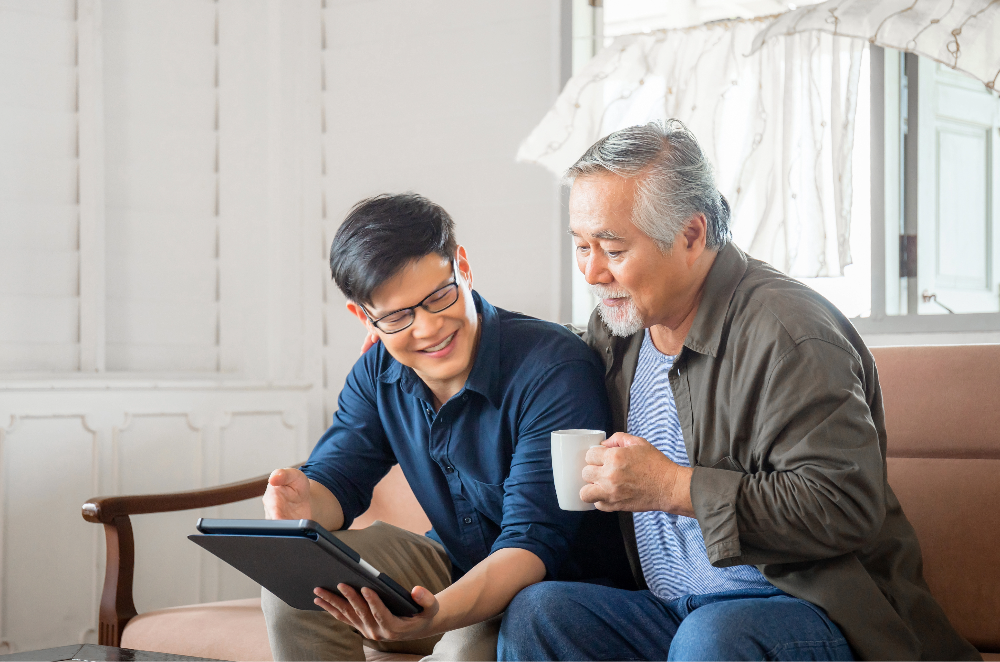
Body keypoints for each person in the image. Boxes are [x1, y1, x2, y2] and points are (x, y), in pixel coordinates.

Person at [497, 121, 980, 661]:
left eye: (611, 247)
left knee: (713, 639)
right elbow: (538, 362)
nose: (591, 270)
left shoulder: (790, 333)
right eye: (581, 246)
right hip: (677, 613)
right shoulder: (619, 328)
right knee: (540, 615)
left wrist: (673, 488)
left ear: (691, 235)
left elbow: (843, 505)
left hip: (809, 614)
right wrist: (438, 328)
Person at [261, 193, 631, 661]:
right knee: (294, 589)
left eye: (440, 296)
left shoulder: (552, 368)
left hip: (553, 589)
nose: (429, 328)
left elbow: (531, 545)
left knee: (462, 649)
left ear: (463, 267)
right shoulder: (378, 372)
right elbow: (337, 482)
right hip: (452, 562)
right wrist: (303, 502)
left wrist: (432, 616)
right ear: (364, 316)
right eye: (398, 316)